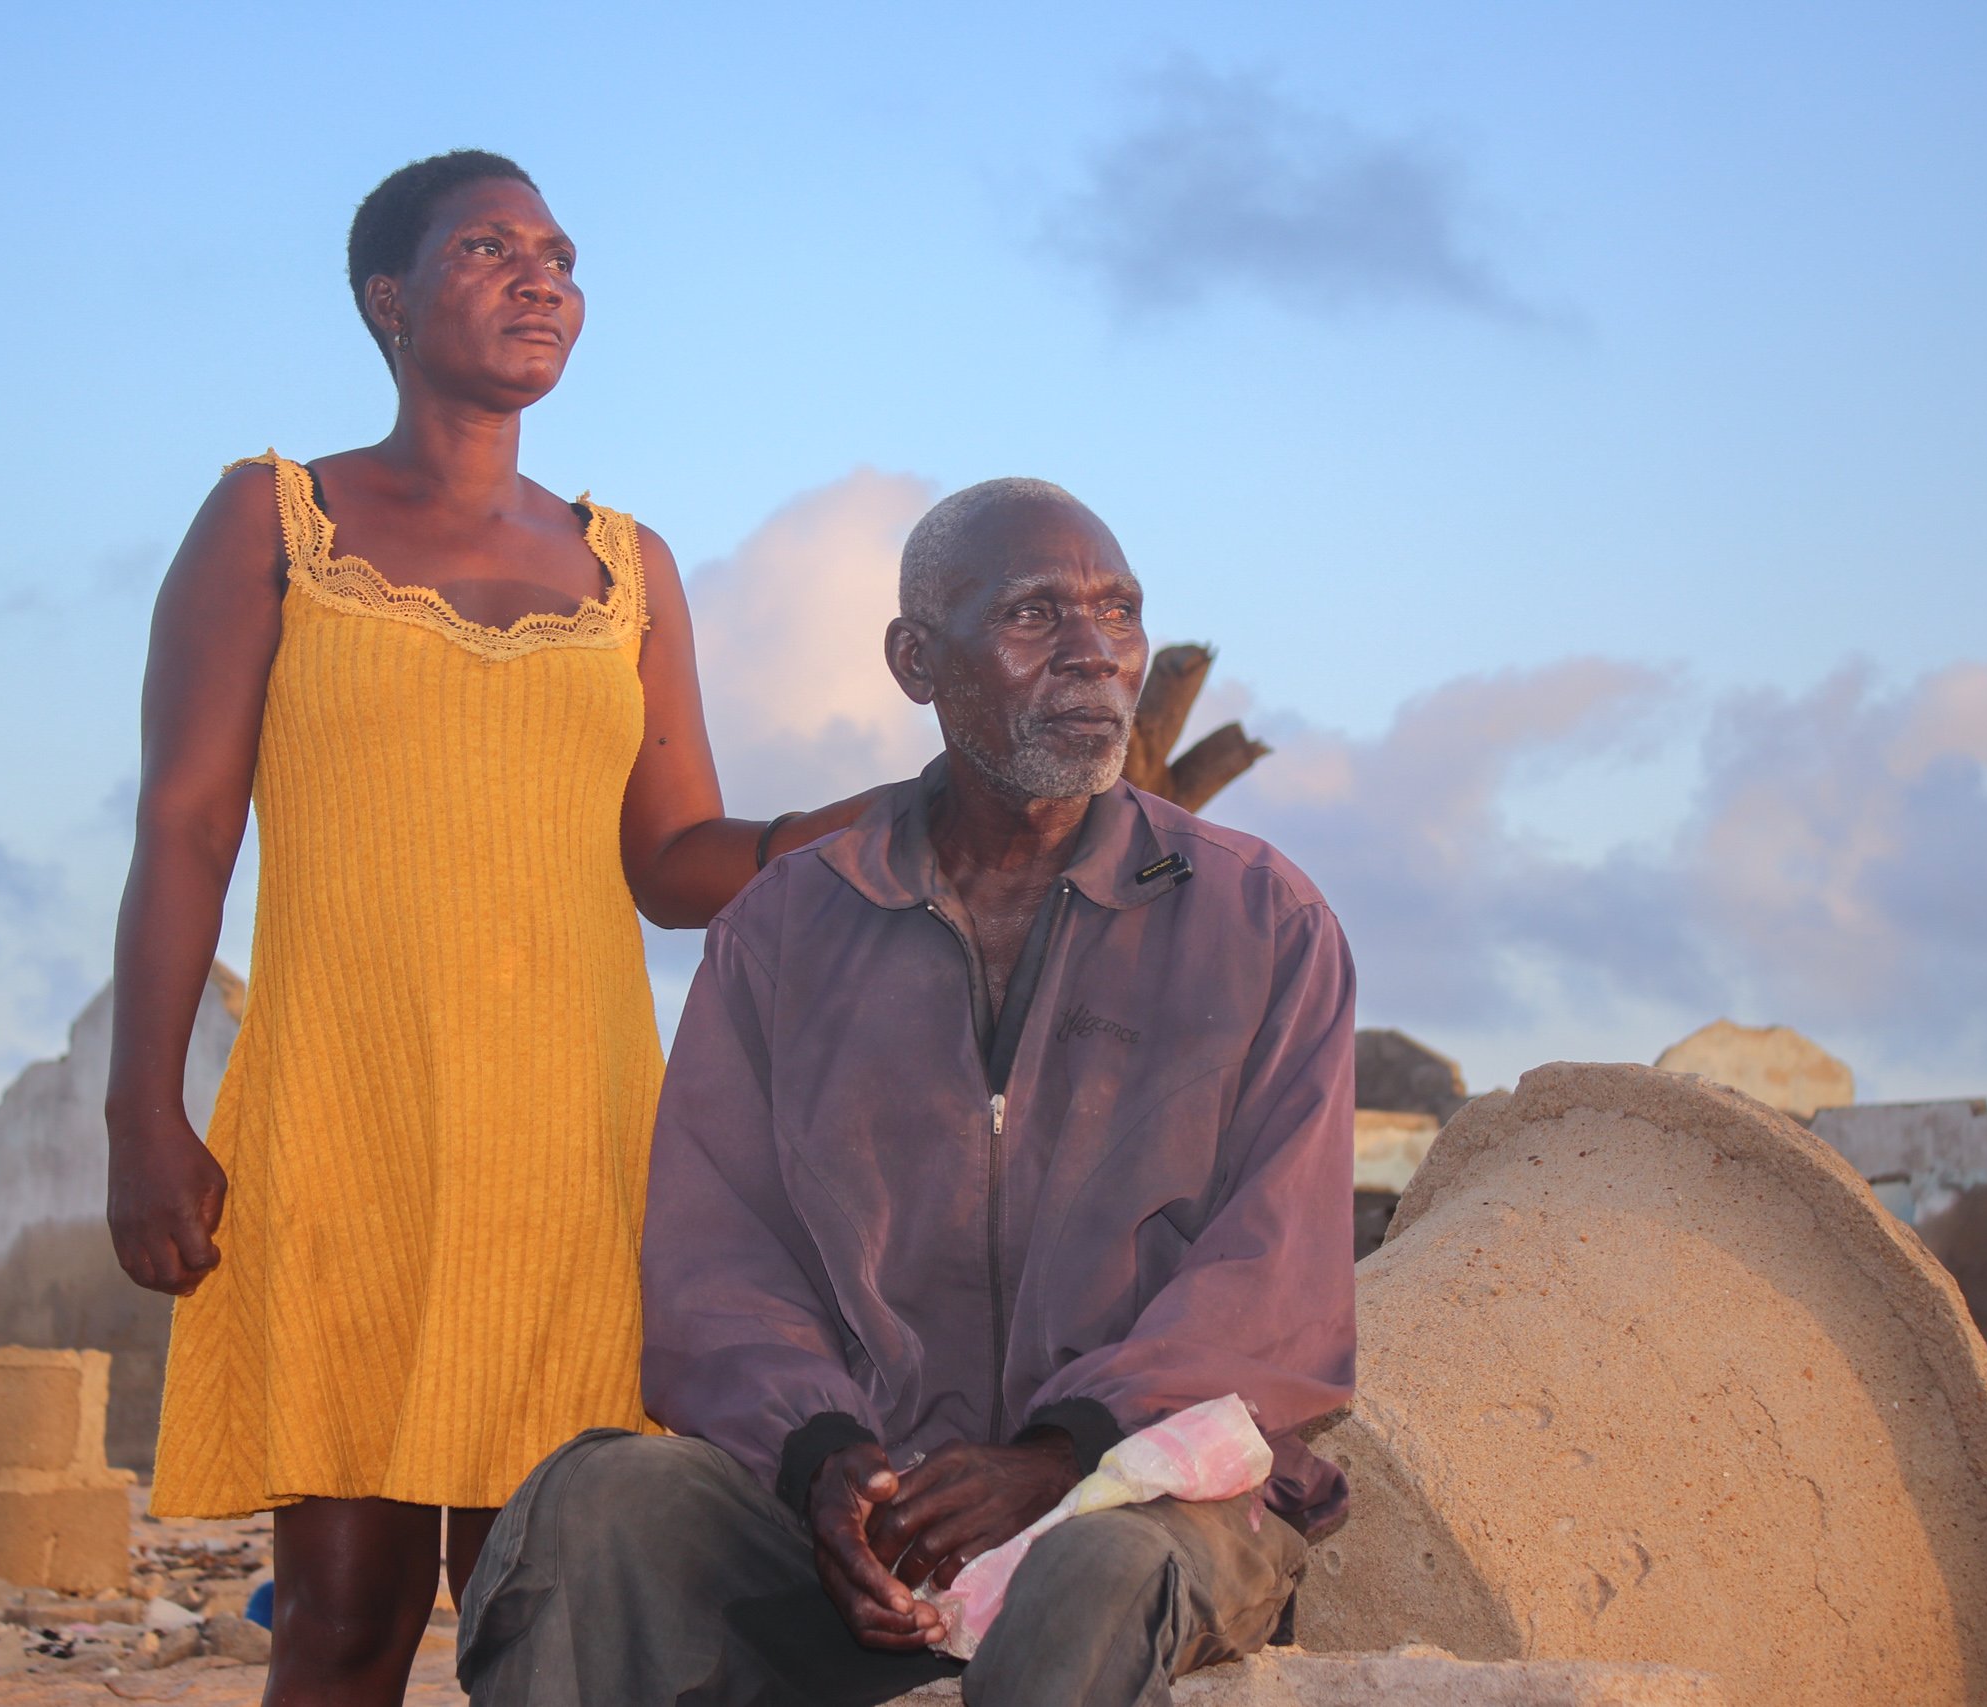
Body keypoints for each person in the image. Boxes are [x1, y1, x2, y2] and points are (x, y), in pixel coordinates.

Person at [103, 150, 869, 1707]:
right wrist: (144, 1107)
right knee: (344, 1612)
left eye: (562, 253)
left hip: (579, 1145)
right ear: (388, 300)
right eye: (490, 248)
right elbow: (186, 823)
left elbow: (672, 860)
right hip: (350, 1119)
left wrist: (855, 824)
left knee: (561, 1607)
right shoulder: (274, 519)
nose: (544, 278)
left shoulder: (629, 566)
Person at [455, 480, 1358, 1706]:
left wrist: (1061, 1450)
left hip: (1141, 1494)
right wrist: (824, 1460)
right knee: (604, 1497)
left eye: (1120, 612)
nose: (1096, 651)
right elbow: (719, 1259)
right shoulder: (785, 928)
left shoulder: (1262, 922)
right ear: (917, 660)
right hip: (876, 1514)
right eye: (1037, 615)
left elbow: (1276, 1281)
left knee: (1090, 1573)